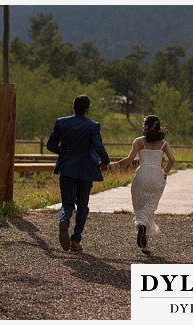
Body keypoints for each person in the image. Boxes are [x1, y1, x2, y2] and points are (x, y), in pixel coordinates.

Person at [46, 94, 110, 252]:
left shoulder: (61, 122)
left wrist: (65, 153)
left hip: (67, 168)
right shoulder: (93, 126)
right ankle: (75, 240)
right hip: (86, 170)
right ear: (88, 109)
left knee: (67, 203)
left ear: (72, 107)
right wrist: (105, 161)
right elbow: (97, 145)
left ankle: (64, 219)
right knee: (83, 205)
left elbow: (51, 145)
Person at [111, 115, 176, 256]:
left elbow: (129, 159)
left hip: (142, 175)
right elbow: (172, 160)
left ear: (145, 126)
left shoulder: (139, 141)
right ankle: (145, 245)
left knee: (139, 206)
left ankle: (141, 226)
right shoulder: (164, 143)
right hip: (157, 175)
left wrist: (115, 165)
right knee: (150, 207)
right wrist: (165, 172)